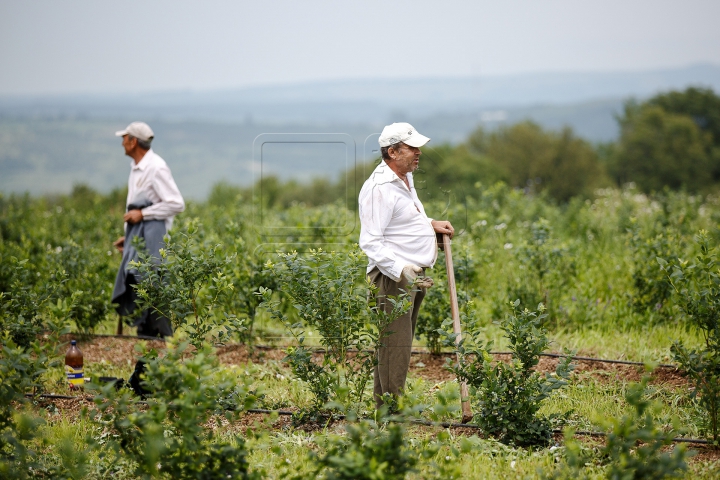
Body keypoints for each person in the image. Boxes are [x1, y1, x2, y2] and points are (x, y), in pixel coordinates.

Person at [359, 122, 454, 407]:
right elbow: (371, 241)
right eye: (412, 148)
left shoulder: (404, 179)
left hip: (409, 275)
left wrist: (430, 225)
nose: (418, 152)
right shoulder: (378, 188)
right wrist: (402, 270)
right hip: (393, 277)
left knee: (398, 344)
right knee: (394, 347)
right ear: (392, 151)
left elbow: (402, 220)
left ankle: (385, 408)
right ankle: (390, 413)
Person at [111, 121, 185, 338]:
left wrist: (143, 214)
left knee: (154, 290)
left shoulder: (156, 167)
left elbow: (176, 203)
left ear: (134, 142)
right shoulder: (137, 168)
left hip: (153, 243)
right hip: (140, 240)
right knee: (141, 292)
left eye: (125, 138)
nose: (122, 142)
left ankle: (162, 345)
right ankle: (148, 349)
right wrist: (129, 238)